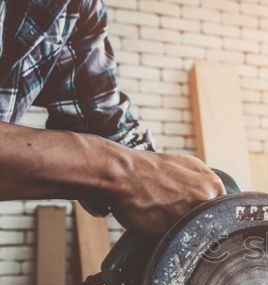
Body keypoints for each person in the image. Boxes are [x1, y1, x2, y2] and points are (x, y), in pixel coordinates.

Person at [0, 0, 225, 237]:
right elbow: (130, 169)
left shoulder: (77, 7)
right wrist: (124, 171)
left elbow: (106, 128)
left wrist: (170, 180)